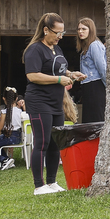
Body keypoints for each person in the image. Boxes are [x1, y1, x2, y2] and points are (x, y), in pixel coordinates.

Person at [24, 12, 87, 195]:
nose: (60, 36)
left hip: (56, 102)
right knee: (42, 142)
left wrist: (71, 74)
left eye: (62, 32)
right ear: (46, 30)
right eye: (57, 32)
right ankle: (39, 185)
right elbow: (32, 75)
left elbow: (59, 69)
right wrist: (59, 80)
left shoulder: (56, 49)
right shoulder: (35, 49)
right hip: (39, 101)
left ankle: (52, 182)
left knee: (55, 142)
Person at [0, 89, 29, 170]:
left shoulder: (4, 112)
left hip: (9, 137)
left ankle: (4, 160)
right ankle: (8, 160)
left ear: (4, 98)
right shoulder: (19, 111)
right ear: (16, 98)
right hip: (18, 137)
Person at [75, 16, 107, 123]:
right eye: (79, 29)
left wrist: (108, 87)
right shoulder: (86, 47)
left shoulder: (94, 45)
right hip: (88, 87)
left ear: (91, 30)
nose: (80, 32)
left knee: (97, 119)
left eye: (84, 29)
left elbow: (102, 68)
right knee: (89, 120)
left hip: (96, 86)